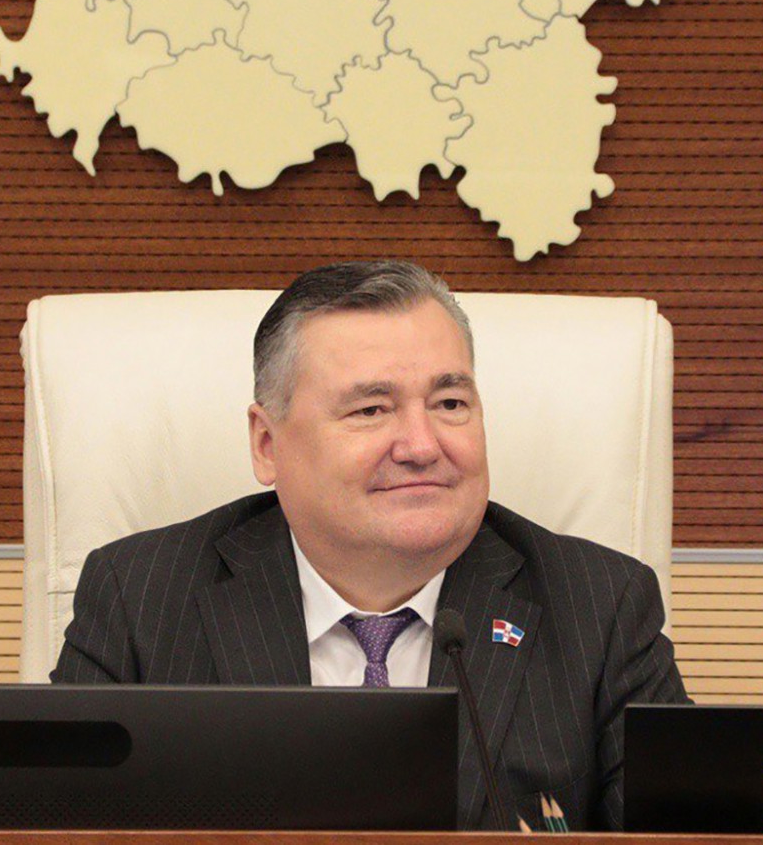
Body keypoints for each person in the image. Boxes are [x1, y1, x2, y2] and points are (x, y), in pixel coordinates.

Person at [52, 260, 689, 830]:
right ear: (268, 445)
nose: (421, 446)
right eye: (371, 410)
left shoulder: (601, 608)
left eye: (449, 402)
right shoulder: (139, 599)